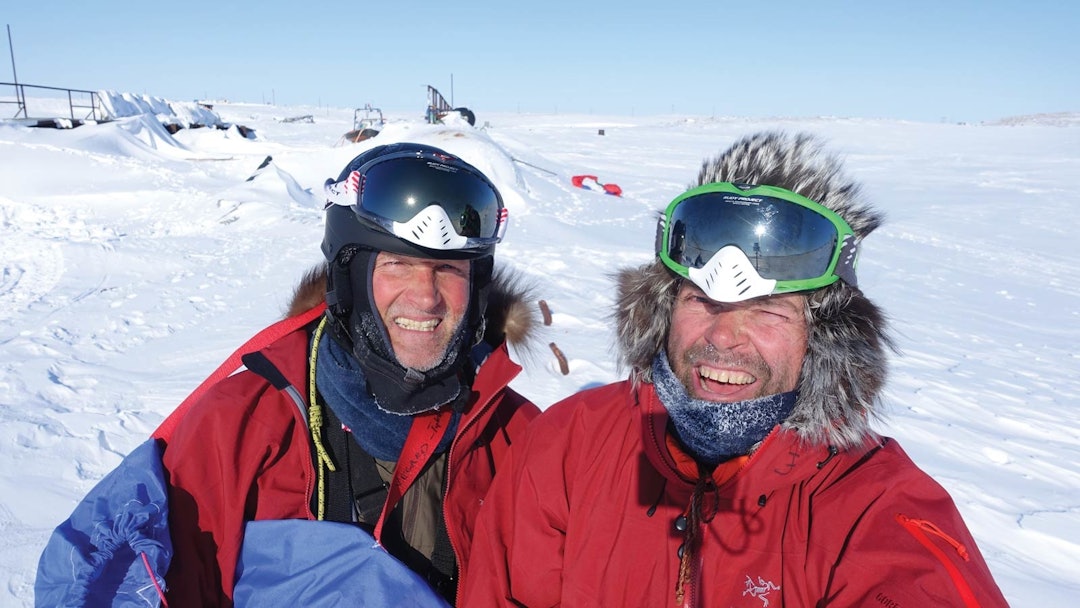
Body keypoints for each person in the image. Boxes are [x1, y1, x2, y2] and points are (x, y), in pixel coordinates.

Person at [461, 131, 1010, 607]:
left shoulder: (871, 506)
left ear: (821, 337)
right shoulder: (568, 447)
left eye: (768, 310)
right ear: (662, 310)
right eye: (700, 300)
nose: (723, 336)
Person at [36, 142, 540, 607]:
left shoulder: (522, 442)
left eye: (448, 270)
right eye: (397, 264)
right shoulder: (238, 428)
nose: (426, 297)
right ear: (351, 275)